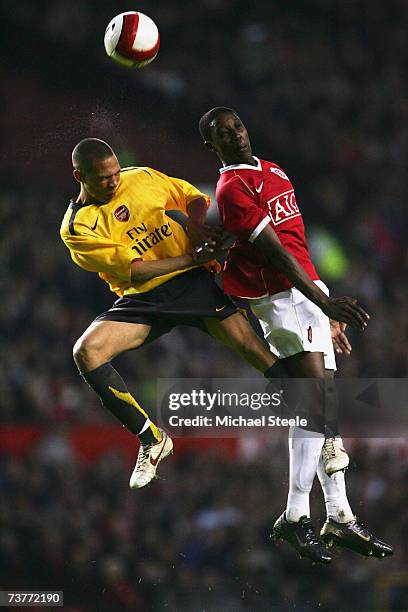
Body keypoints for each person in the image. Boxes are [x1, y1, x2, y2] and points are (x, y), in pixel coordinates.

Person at [198, 107, 393, 562]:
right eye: (223, 134)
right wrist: (322, 302)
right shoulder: (231, 189)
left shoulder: (274, 170)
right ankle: (297, 515)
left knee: (320, 403)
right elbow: (274, 252)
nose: (235, 135)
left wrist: (321, 295)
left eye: (238, 126)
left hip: (304, 290)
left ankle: (337, 514)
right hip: (279, 298)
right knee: (315, 399)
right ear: (213, 147)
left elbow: (296, 242)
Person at [60, 137, 283, 490]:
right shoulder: (77, 227)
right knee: (87, 352)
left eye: (116, 172)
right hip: (145, 298)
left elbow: (191, 197)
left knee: (254, 350)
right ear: (79, 175)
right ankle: (152, 438)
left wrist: (194, 227)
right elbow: (135, 271)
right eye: (103, 178)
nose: (114, 181)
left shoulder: (140, 176)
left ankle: (325, 429)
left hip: (192, 284)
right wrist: (191, 256)